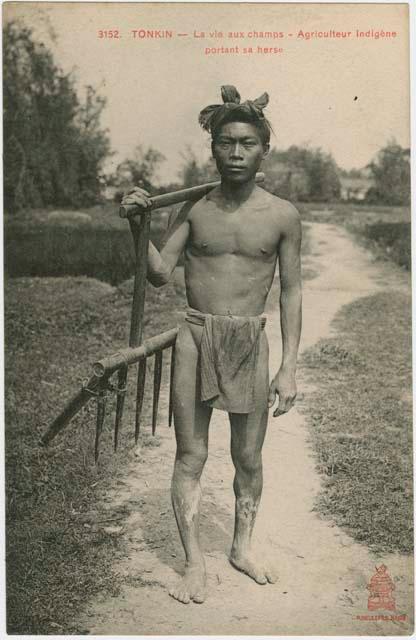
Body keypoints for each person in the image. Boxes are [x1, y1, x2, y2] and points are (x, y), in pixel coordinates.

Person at [121, 85, 302, 605]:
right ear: (214, 149)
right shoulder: (195, 210)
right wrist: (139, 225)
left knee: (248, 456)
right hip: (196, 337)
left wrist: (288, 367)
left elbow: (291, 292)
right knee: (190, 454)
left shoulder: (283, 216)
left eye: (247, 143)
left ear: (264, 148)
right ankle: (193, 562)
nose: (237, 153)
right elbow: (157, 274)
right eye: (227, 143)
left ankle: (241, 547)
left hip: (250, 338)